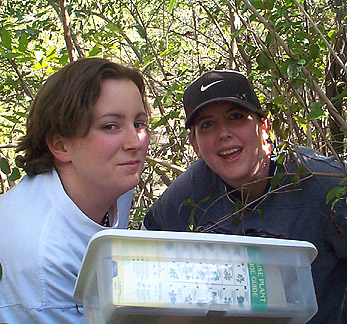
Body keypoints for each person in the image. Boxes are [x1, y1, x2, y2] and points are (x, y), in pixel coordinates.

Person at [143, 70, 347, 323]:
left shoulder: (322, 183)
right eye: (207, 125)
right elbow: (144, 257)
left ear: (263, 127)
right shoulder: (191, 192)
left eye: (236, 117)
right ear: (194, 145)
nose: (224, 133)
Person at [0, 57, 150, 323]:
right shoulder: (44, 256)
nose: (134, 142)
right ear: (61, 145)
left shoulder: (112, 180)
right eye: (110, 126)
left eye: (138, 123)